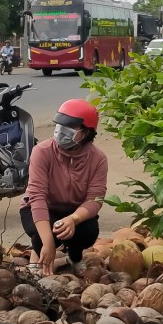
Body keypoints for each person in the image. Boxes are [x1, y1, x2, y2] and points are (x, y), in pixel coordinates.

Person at [19, 98, 108, 276]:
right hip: (44, 207)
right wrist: (48, 243)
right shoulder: (42, 151)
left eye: (70, 127)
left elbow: (95, 199)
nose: (61, 131)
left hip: (75, 211)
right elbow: (37, 196)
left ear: (87, 132)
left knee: (88, 231)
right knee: (43, 233)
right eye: (59, 125)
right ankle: (38, 255)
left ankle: (74, 257)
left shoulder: (98, 159)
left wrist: (73, 219)